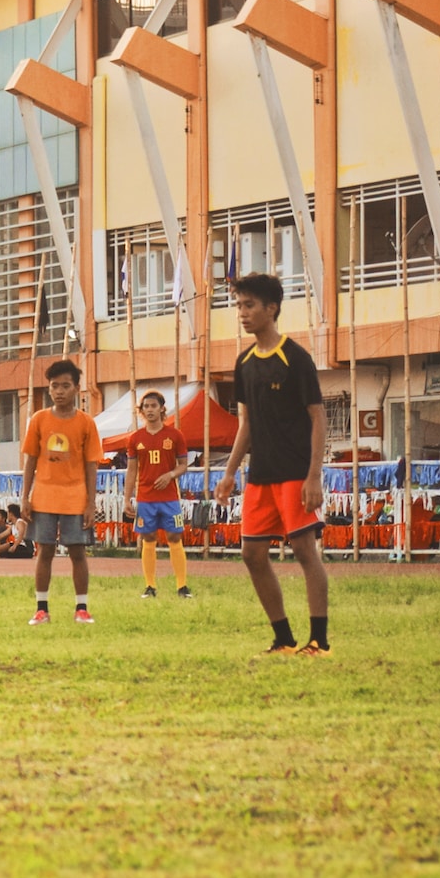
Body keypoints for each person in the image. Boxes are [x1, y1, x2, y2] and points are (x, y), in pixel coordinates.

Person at [213, 272, 331, 656]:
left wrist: (314, 475)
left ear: (271, 309)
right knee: (252, 554)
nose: (242, 314)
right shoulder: (244, 362)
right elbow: (246, 424)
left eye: (249, 306)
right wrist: (230, 472)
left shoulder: (295, 358)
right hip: (260, 475)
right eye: (239, 306)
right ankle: (283, 638)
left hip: (295, 473)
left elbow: (318, 417)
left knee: (303, 551)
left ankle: (319, 640)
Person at [20, 359, 103, 624]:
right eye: (54, 386)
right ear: (49, 389)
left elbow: (92, 465)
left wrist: (91, 502)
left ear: (77, 388)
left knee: (78, 552)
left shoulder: (87, 423)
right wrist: (24, 497)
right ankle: (41, 608)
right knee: (44, 551)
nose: (59, 391)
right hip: (43, 496)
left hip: (75, 497)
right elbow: (30, 460)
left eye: (65, 386)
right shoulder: (39, 419)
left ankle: (82, 608)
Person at [124, 389, 192, 600]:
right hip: (145, 498)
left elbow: (183, 465)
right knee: (148, 538)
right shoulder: (135, 438)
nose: (150, 410)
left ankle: (182, 586)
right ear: (141, 411)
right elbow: (132, 469)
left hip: (170, 498)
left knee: (174, 537)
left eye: (154, 406)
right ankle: (150, 586)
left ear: (162, 408)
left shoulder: (175, 435)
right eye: (146, 406)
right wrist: (127, 498)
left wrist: (170, 475)